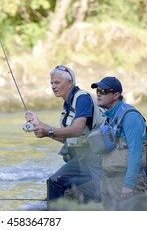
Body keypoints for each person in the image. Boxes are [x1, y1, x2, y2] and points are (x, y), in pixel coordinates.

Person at [25, 65, 105, 203]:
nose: (53, 86)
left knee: (103, 198)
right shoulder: (67, 105)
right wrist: (39, 124)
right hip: (82, 158)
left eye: (57, 82)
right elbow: (68, 138)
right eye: (51, 83)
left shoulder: (82, 98)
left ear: (69, 83)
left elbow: (77, 129)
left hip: (98, 157)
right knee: (54, 182)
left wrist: (48, 131)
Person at [90, 76, 147, 209]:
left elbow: (135, 152)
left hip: (126, 182)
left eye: (104, 91)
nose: (99, 94)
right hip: (108, 180)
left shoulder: (131, 117)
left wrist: (128, 185)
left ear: (116, 95)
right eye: (98, 91)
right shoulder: (109, 116)